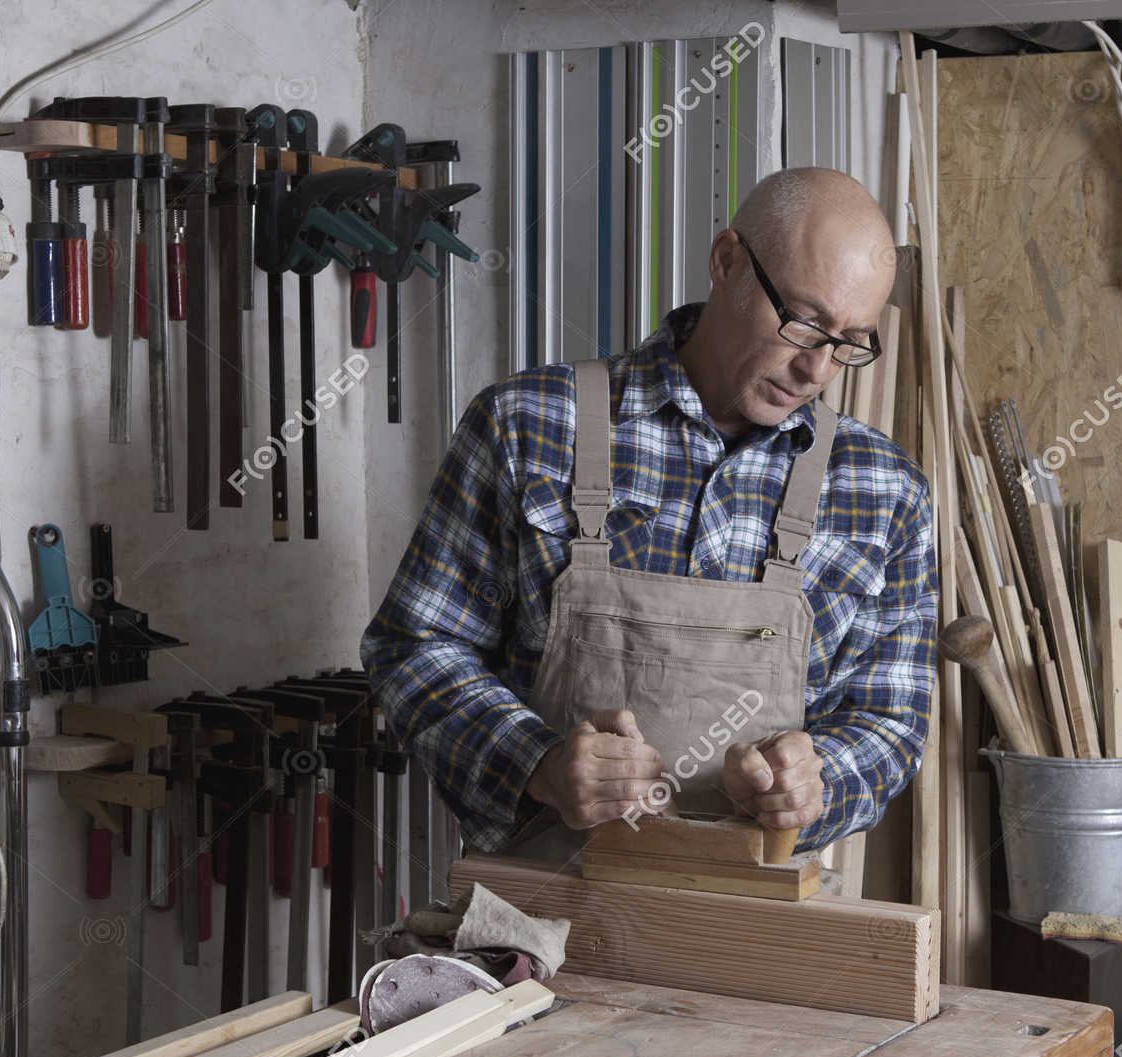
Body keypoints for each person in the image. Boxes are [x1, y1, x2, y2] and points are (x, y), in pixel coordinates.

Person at [361, 167, 938, 864]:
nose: (817, 369)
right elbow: (415, 646)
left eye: (850, 341)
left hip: (763, 924)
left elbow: (890, 719)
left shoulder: (885, 491)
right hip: (543, 911)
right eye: (805, 322)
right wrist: (537, 762)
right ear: (726, 262)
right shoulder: (531, 425)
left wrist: (820, 782)